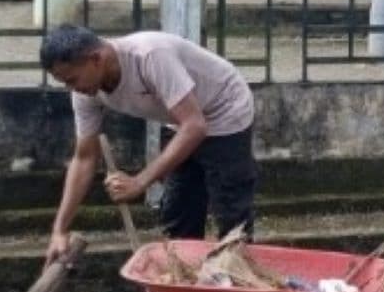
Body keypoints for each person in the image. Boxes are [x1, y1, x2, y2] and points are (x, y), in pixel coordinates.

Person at [39, 24, 258, 267]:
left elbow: (195, 126)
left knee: (231, 215)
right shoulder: (85, 91)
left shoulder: (150, 55)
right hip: (181, 117)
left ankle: (238, 285)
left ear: (96, 59)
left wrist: (140, 181)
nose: (72, 89)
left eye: (72, 80)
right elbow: (84, 158)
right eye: (65, 83)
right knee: (178, 212)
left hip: (224, 108)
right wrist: (59, 230)